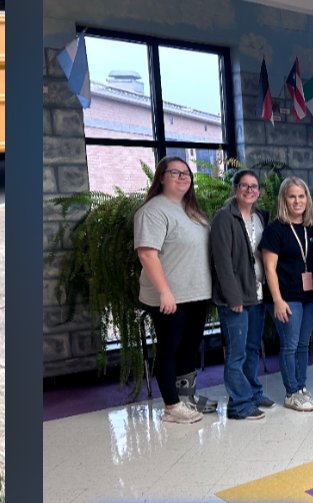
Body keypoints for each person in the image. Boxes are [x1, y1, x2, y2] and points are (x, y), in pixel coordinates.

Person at [133, 156, 214, 424]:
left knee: (190, 347)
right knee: (170, 348)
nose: (182, 177)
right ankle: (171, 405)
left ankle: (187, 397)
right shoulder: (153, 211)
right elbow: (147, 254)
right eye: (175, 172)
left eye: (186, 173)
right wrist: (165, 292)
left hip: (196, 293)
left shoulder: (191, 210)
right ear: (161, 177)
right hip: (170, 296)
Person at [210, 170, 273, 421]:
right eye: (244, 186)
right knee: (237, 353)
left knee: (252, 348)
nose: (249, 190)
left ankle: (253, 392)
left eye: (254, 186)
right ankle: (239, 404)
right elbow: (222, 262)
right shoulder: (224, 218)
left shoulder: (259, 216)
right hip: (236, 298)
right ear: (235, 189)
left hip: (257, 294)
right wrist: (232, 297)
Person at [261, 176, 313, 413]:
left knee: (303, 345)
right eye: (292, 196)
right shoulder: (275, 229)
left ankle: (301, 388)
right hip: (287, 297)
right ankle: (291, 393)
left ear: (307, 198)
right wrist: (277, 300)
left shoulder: (312, 228)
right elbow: (269, 269)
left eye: (301, 196)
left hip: (311, 297)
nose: (297, 201)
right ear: (284, 200)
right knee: (290, 345)